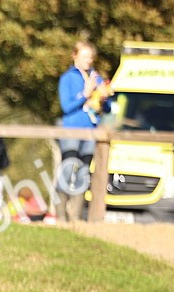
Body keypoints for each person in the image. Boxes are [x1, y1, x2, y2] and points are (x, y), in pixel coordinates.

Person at [56, 41, 113, 220]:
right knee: (68, 169)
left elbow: (109, 109)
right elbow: (66, 106)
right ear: (75, 56)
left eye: (90, 57)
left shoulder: (96, 78)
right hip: (72, 131)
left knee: (83, 173)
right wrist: (85, 95)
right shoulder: (68, 78)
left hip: (91, 131)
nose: (88, 61)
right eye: (84, 57)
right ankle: (61, 215)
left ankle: (76, 216)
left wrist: (104, 98)